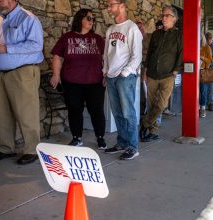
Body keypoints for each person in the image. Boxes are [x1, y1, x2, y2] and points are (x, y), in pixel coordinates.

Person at [0, 0, 43, 165]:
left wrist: (7, 48)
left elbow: (37, 45)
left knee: (26, 113)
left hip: (21, 72)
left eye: (0, 0)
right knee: (2, 113)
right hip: (0, 74)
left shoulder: (28, 19)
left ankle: (32, 150)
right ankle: (5, 148)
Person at [50, 9, 106, 149]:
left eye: (93, 19)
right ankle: (77, 138)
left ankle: (100, 137)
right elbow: (57, 57)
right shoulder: (67, 38)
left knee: (97, 111)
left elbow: (107, 59)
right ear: (80, 19)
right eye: (88, 18)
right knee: (74, 110)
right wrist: (56, 75)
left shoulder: (98, 39)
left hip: (95, 83)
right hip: (72, 83)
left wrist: (106, 75)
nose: (91, 21)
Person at [102, 0, 143, 160]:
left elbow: (137, 55)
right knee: (117, 113)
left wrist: (125, 73)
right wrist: (105, 71)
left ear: (121, 5)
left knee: (128, 113)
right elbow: (106, 54)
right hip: (111, 76)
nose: (109, 8)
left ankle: (133, 147)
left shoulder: (132, 28)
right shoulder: (111, 29)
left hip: (125, 77)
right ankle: (122, 143)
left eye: (111, 4)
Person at [140, 5, 182, 140]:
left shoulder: (179, 35)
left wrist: (176, 70)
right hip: (152, 74)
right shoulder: (156, 34)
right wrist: (145, 71)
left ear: (174, 19)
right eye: (162, 15)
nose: (163, 18)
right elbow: (150, 53)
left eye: (166, 15)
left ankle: (144, 123)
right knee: (151, 104)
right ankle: (153, 132)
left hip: (168, 75)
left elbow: (181, 54)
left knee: (161, 105)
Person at [199, 33, 213, 117]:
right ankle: (195, 107)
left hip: (203, 71)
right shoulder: (193, 45)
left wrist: (202, 57)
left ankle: (203, 108)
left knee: (203, 91)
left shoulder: (207, 47)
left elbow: (210, 61)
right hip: (193, 72)